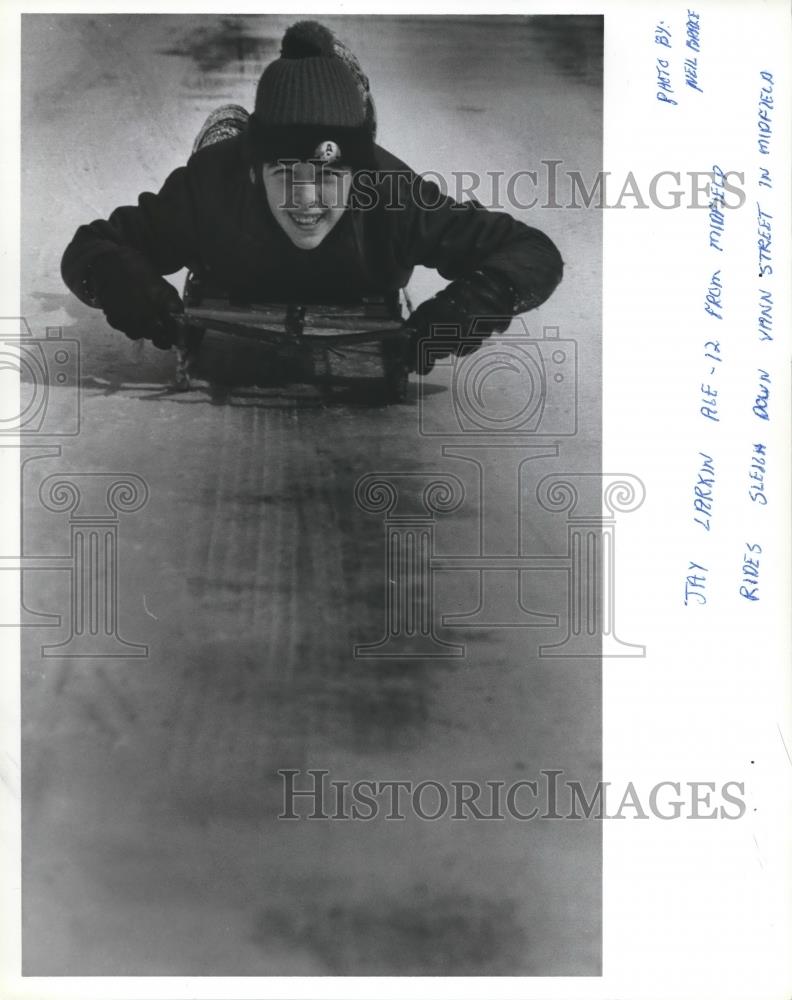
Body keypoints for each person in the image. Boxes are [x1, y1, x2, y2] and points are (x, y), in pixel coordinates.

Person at [61, 20, 564, 375]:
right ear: (257, 172)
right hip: (230, 172)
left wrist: (474, 304)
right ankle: (228, 128)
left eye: (327, 173)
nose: (306, 199)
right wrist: (120, 280)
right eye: (285, 171)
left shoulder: (392, 196)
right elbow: (91, 246)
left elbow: (532, 252)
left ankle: (332, 93)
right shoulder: (212, 186)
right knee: (221, 149)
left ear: (358, 173)